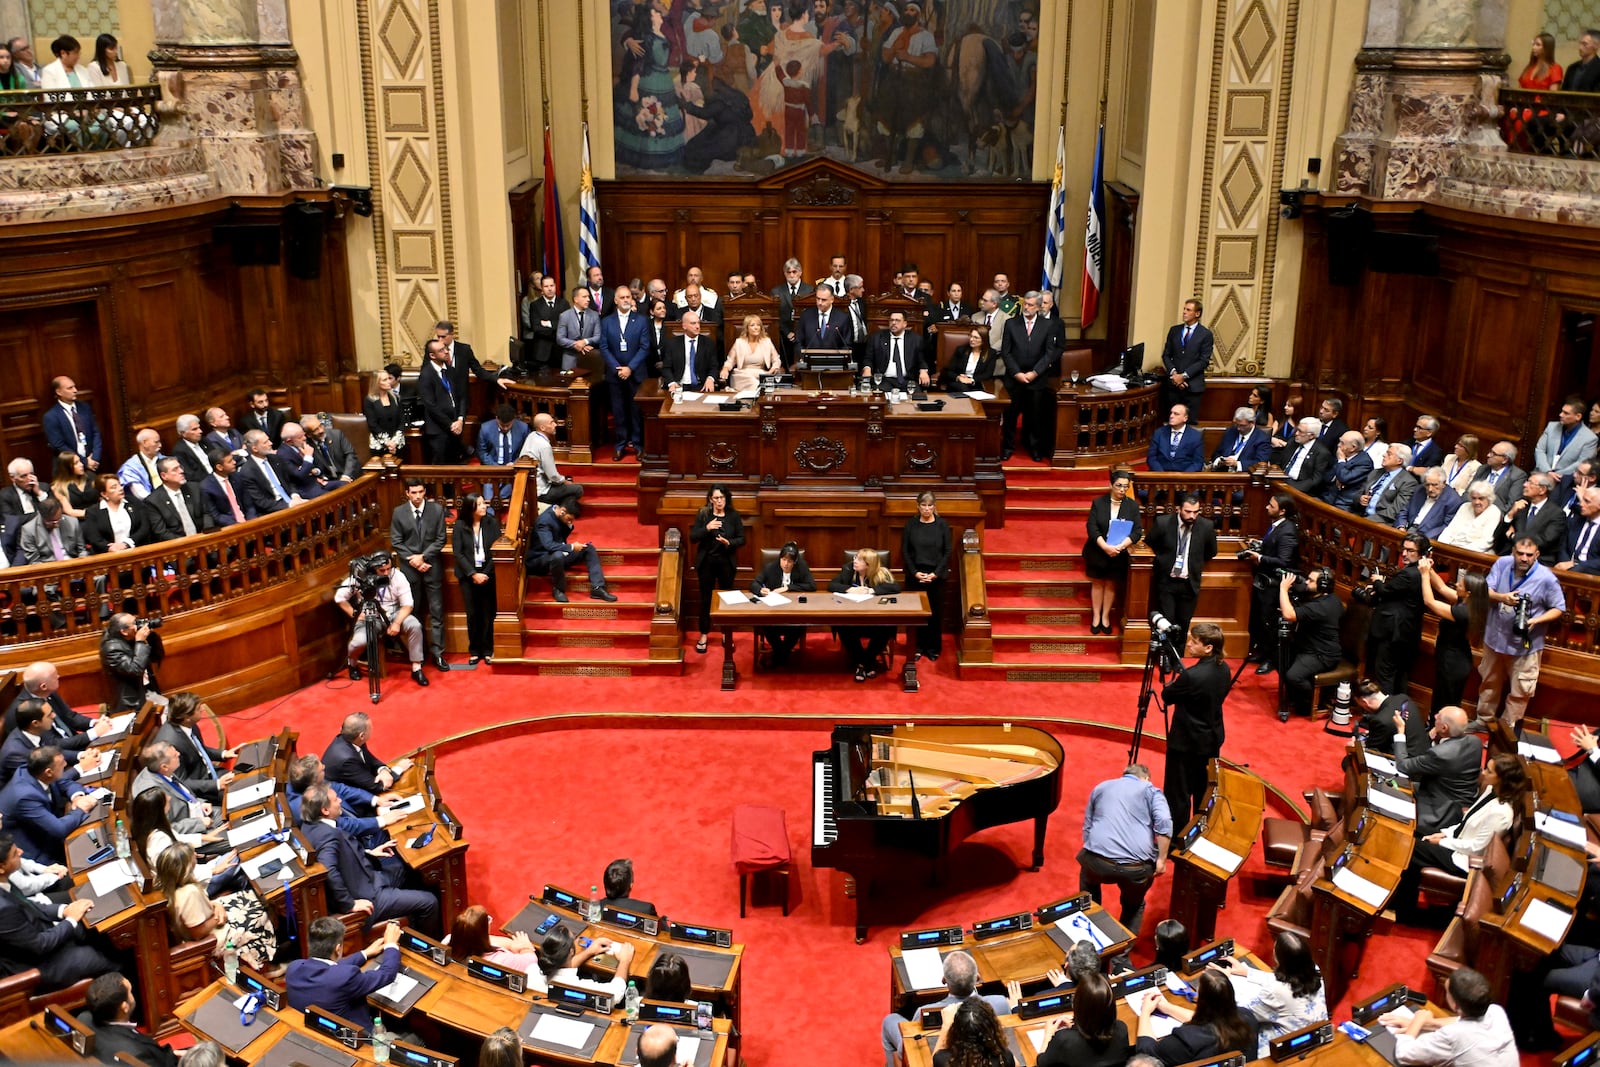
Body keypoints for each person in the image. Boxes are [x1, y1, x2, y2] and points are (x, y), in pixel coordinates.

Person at [299, 784, 441, 935]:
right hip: (370, 896)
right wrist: (349, 904)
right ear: (325, 810)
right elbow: (329, 869)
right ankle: (426, 948)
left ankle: (412, 924)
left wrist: (370, 853)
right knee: (429, 902)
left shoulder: (308, 826)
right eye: (335, 800)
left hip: (368, 877)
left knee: (404, 866)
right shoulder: (328, 836)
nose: (340, 801)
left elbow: (341, 855)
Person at [1397, 754, 1527, 915]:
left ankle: (1404, 908)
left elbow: (1476, 848)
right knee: (1410, 831)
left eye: (1489, 771)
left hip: (1464, 860)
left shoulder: (1502, 813)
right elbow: (1466, 822)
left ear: (1502, 779)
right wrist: (1444, 834)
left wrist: (1441, 842)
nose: (1483, 772)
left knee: (1412, 848)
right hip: (1458, 842)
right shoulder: (1490, 790)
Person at [0, 831, 116, 990]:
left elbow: (32, 905)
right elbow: (38, 945)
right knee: (109, 961)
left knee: (99, 931)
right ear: (1, 867)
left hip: (45, 936)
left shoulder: (5, 882)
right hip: (40, 965)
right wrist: (70, 920)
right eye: (14, 854)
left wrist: (66, 910)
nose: (21, 852)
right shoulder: (3, 909)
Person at [1474, 536, 1566, 734]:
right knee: (1488, 683)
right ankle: (1483, 720)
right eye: (1520, 553)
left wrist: (1536, 621)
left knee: (1520, 692)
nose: (1524, 558)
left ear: (1537, 555)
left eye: (1529, 555)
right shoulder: (1502, 564)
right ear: (1513, 552)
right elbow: (1485, 590)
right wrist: (1502, 598)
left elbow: (1559, 608)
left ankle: (1505, 731)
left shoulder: (1546, 578)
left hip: (1525, 647)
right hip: (1495, 639)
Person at [1079, 764, 1171, 945]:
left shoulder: (1101, 786)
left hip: (1097, 862)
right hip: (1135, 869)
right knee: (1134, 906)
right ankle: (1121, 957)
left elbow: (1087, 827)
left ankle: (1089, 942)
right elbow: (1164, 821)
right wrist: (1161, 859)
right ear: (1146, 778)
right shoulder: (1151, 790)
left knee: (1088, 884)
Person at [154, 841, 277, 972]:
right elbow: (198, 932)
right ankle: (270, 962)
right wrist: (219, 916)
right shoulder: (189, 892)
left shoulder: (166, 886)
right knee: (261, 911)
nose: (195, 855)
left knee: (250, 895)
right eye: (192, 856)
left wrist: (216, 905)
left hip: (209, 915)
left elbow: (197, 906)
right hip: (214, 937)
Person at [880, 949, 1013, 1067]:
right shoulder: (1000, 1003)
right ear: (977, 978)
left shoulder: (923, 1012)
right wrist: (1015, 1007)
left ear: (944, 980)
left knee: (890, 1021)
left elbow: (910, 1046)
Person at [286, 916, 403, 1034]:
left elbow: (328, 968)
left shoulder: (293, 968)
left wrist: (365, 953)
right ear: (338, 949)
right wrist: (391, 945)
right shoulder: (345, 977)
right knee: (414, 1037)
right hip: (359, 1040)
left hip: (311, 1033)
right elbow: (386, 974)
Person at [1162, 623, 1230, 821]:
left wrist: (1175, 683)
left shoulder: (1192, 676)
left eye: (1194, 641)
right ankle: (1201, 830)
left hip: (1186, 742)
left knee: (1178, 792)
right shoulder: (1224, 668)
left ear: (1208, 648)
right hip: (1211, 738)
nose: (1189, 644)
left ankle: (1177, 837)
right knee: (1204, 789)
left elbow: (1167, 696)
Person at [1222, 931, 1327, 1059]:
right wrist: (1247, 972)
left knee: (1234, 1027)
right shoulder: (1313, 969)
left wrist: (1226, 982)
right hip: (1317, 1037)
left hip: (1288, 1048)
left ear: (1279, 957)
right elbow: (1282, 979)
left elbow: (1247, 1013)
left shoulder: (1276, 990)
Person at [1385, 967, 1516, 1066]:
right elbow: (1460, 1022)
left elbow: (1402, 1054)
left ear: (1456, 1006)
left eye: (1447, 992)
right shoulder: (1496, 1011)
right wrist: (1429, 1022)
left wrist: (1417, 1021)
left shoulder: (1453, 1035)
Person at [334, 553, 428, 686]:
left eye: (389, 569)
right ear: (373, 569)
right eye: (382, 570)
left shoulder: (398, 576)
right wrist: (354, 613)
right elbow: (339, 597)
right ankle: (352, 664)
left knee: (414, 625)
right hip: (370, 614)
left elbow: (408, 604)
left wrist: (396, 623)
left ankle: (416, 668)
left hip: (394, 613)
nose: (386, 573)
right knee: (357, 642)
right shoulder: (361, 576)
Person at [1394, 707, 1485, 835]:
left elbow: (1403, 765)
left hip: (1441, 809)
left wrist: (1400, 731)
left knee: (1392, 799)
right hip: (1457, 798)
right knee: (1394, 784)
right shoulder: (1475, 742)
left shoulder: (1442, 754)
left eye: (1439, 716)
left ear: (1444, 728)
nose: (1435, 715)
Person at [0, 748, 99, 864]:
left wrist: (77, 797)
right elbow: (59, 829)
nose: (66, 764)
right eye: (62, 763)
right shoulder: (25, 796)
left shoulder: (35, 771)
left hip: (48, 833)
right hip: (39, 855)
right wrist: (81, 808)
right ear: (48, 772)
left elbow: (64, 782)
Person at [390, 477, 449, 673]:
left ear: (425, 492)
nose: (417, 496)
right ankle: (418, 655)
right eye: (413, 493)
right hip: (410, 570)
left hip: (431, 566)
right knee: (414, 614)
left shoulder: (437, 510)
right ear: (407, 493)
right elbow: (396, 541)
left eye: (420, 492)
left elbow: (441, 539)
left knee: (436, 611)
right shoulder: (399, 512)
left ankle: (438, 653)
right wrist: (413, 560)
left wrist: (423, 557)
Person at [1135, 969, 1256, 1064]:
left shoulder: (1185, 1041)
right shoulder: (1247, 1017)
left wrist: (1145, 1012)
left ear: (1202, 1000)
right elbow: (1212, 1020)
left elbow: (1146, 1052)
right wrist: (1167, 1007)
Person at [1417, 557, 1488, 713]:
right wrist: (1429, 569)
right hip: (1453, 659)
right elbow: (1441, 588)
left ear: (1468, 593)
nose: (1456, 585)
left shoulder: (1464, 612)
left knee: (1445, 706)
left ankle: (1441, 734)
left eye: (1460, 585)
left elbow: (1430, 602)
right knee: (1442, 702)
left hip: (1453, 663)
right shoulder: (1469, 602)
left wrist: (1424, 575)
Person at [1146, 495, 1218, 647]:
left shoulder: (1206, 526)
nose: (1192, 516)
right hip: (1167, 582)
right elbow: (1150, 543)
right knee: (1167, 622)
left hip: (1189, 583)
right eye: (1188, 511)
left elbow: (1211, 552)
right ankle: (1165, 656)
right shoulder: (1163, 523)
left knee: (1183, 623)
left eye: (1196, 512)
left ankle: (1176, 659)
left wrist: (1193, 563)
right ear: (1179, 509)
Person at [1362, 531, 1427, 697]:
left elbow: (1386, 591)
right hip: (1407, 632)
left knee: (1385, 675)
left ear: (1421, 553)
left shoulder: (1409, 573)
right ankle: (1397, 714)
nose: (1404, 554)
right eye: (1404, 549)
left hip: (1393, 633)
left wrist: (1377, 581)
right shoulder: (1423, 572)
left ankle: (1384, 716)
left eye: (1410, 550)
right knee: (1400, 676)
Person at [999, 292, 1062, 461]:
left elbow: (1049, 353)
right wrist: (1017, 373)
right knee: (1010, 416)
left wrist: (1034, 373)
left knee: (1035, 416)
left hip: (1037, 378)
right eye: (1025, 304)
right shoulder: (1011, 323)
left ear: (1039, 307)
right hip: (1014, 378)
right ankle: (1007, 447)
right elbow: (1006, 351)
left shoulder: (1048, 325)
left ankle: (1035, 449)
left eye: (1030, 305)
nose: (1026, 307)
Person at [1244, 493, 1299, 673]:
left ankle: (1271, 659)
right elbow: (1273, 546)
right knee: (1260, 620)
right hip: (1265, 581)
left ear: (1282, 511)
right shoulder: (1277, 525)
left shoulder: (1288, 530)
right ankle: (1262, 652)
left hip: (1275, 585)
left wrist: (1259, 557)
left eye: (1271, 505)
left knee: (1270, 622)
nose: (1267, 507)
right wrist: (1260, 544)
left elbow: (1284, 561)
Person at [1279, 569, 1343, 722]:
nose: (1306, 582)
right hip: (1310, 648)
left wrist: (1283, 588)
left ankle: (1312, 702)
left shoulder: (1321, 607)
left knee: (1293, 676)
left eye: (1311, 580)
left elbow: (1289, 614)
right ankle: (1295, 697)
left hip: (1322, 654)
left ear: (1323, 585)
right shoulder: (1332, 599)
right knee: (1279, 657)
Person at [830, 548, 902, 683]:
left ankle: (862, 662)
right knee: (841, 625)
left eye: (858, 559)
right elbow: (832, 585)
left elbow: (896, 588)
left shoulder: (881, 573)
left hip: (875, 620)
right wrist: (850, 589)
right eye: (855, 558)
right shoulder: (848, 570)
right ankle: (868, 662)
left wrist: (871, 590)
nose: (854, 561)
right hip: (853, 619)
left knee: (887, 627)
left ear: (868, 564)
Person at [689, 484, 744, 655]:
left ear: (726, 499)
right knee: (706, 599)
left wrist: (730, 543)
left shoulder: (734, 516)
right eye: (716, 498)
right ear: (710, 499)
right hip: (707, 563)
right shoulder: (704, 515)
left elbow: (742, 539)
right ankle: (704, 634)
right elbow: (693, 537)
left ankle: (727, 635)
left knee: (727, 599)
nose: (719, 501)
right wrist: (707, 528)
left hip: (726, 563)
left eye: (722, 498)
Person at [1084, 470, 1142, 635]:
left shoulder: (1132, 506)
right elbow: (1092, 528)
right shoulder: (1098, 503)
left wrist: (1120, 547)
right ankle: (1096, 616)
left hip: (1118, 552)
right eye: (1118, 486)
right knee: (1098, 582)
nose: (1122, 490)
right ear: (1110, 485)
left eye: (1125, 486)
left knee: (1110, 583)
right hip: (1098, 550)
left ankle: (1105, 617)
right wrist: (1105, 547)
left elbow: (1137, 531)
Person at [527, 501, 617, 604]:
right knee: (557, 555)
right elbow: (549, 545)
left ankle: (597, 588)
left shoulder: (560, 516)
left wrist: (568, 527)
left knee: (588, 548)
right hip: (540, 559)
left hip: (559, 555)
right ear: (562, 511)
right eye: (569, 519)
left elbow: (561, 537)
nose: (570, 522)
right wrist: (571, 546)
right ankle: (558, 590)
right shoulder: (544, 521)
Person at [154, 692, 236, 803]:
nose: (202, 709)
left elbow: (200, 750)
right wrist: (216, 784)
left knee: (246, 779)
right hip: (201, 788)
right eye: (198, 709)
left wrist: (224, 754)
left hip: (210, 773)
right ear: (187, 717)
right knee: (237, 795)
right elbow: (182, 782)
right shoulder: (171, 744)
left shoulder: (188, 724)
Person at [1035, 970, 1130, 1066]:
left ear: (1076, 1004)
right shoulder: (1122, 1028)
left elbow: (1041, 1062)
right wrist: (1076, 1026)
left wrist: (1048, 1035)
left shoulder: (1064, 1039)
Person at [82, 973, 176, 1067]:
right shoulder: (137, 1056)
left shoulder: (83, 1019)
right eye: (130, 991)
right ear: (124, 1007)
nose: (132, 994)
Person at [599, 286, 650, 459]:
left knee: (636, 410)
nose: (626, 300)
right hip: (615, 374)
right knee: (618, 411)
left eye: (628, 297)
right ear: (616, 300)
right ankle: (620, 444)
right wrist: (618, 368)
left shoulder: (641, 320)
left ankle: (638, 444)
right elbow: (604, 348)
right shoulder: (606, 321)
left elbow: (644, 347)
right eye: (622, 297)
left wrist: (630, 368)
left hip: (635, 373)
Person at [903, 491, 952, 659]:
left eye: (930, 506)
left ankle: (933, 649)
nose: (926, 509)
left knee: (935, 614)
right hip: (915, 576)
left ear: (934, 507)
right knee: (916, 615)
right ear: (918, 506)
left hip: (936, 577)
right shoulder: (911, 524)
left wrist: (935, 574)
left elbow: (947, 552)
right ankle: (916, 647)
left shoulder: (942, 525)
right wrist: (915, 573)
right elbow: (906, 551)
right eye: (923, 505)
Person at [453, 493, 500, 665]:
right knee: (472, 614)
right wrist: (473, 574)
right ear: (470, 507)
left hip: (488, 574)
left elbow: (497, 550)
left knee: (488, 613)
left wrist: (485, 573)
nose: (484, 506)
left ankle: (488, 650)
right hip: (468, 576)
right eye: (480, 504)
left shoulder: (491, 523)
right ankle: (474, 650)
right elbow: (458, 552)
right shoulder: (459, 525)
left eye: (483, 503)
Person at [751, 541, 815, 664]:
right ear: (780, 558)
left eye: (790, 561)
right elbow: (754, 583)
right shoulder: (770, 567)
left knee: (798, 625)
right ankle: (783, 654)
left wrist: (788, 587)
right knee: (766, 624)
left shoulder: (801, 568)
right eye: (783, 559)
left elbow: (811, 586)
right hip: (773, 612)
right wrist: (760, 590)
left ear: (795, 562)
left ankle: (779, 655)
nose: (786, 564)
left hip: (794, 612)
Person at [529, 924, 637, 997]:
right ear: (571, 951)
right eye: (574, 938)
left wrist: (589, 951)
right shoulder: (579, 988)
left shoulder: (531, 973)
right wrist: (624, 960)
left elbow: (562, 968)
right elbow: (616, 992)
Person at [323, 712, 411, 797]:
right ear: (362, 736)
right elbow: (376, 786)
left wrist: (383, 770)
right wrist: (398, 769)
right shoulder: (347, 760)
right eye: (371, 728)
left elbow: (371, 760)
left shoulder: (351, 739)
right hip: (342, 799)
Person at [519, 412, 584, 511]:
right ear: (542, 428)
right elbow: (553, 476)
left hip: (529, 488)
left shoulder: (532, 435)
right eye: (551, 423)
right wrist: (564, 481)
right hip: (541, 492)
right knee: (577, 489)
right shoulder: (544, 445)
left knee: (565, 485)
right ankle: (560, 510)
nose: (555, 425)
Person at [1495, 471, 1566, 563]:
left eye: (1530, 482)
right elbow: (1497, 535)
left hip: (1538, 561)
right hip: (1509, 556)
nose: (1524, 485)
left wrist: (1513, 536)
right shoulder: (1520, 506)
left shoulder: (1556, 514)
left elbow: (1544, 541)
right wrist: (1510, 514)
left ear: (1542, 489)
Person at [1159, 299, 1212, 419]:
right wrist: (1174, 374)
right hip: (1173, 387)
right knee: (1172, 422)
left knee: (1190, 425)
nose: (1184, 312)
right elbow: (1166, 355)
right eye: (1184, 309)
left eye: (1188, 310)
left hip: (1192, 387)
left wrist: (1183, 376)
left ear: (1197, 314)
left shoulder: (1205, 334)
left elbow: (1204, 361)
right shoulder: (1174, 330)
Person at [447, 904, 539, 971]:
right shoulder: (501, 960)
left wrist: (511, 945)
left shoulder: (449, 941)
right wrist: (526, 947)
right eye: (488, 920)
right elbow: (531, 962)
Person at [144, 458, 214, 542]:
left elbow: (207, 513)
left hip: (204, 539)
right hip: (178, 546)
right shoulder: (153, 501)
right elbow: (161, 532)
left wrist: (206, 535)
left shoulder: (194, 488)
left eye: (180, 467)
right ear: (164, 476)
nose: (181, 471)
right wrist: (186, 543)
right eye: (175, 470)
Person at [42, 376, 102, 473]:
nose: (75, 390)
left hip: (93, 464)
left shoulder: (84, 407)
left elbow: (95, 432)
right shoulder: (51, 416)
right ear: (59, 392)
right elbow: (59, 445)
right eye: (70, 388)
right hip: (69, 468)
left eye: (74, 387)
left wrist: (95, 457)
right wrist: (84, 461)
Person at [930, 997, 1013, 1067]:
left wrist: (946, 1026)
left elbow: (932, 1063)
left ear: (956, 1030)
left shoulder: (943, 1060)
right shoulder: (1004, 1058)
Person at [100, 613, 159, 711]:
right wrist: (140, 642)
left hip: (147, 692)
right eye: (135, 623)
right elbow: (135, 670)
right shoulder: (111, 649)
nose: (139, 625)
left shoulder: (130, 639)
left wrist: (151, 637)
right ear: (124, 631)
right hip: (132, 703)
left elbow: (156, 657)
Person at [1355, 679, 1430, 756]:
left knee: (1350, 759)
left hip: (1408, 762)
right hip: (1425, 752)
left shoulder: (1380, 720)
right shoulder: (1403, 698)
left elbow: (1371, 750)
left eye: (1362, 707)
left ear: (1365, 702)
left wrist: (1357, 746)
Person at [236, 429, 300, 515]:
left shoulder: (275, 459)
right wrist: (289, 505)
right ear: (255, 448)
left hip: (293, 500)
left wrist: (295, 496)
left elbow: (289, 481)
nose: (271, 443)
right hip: (275, 510)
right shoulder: (247, 471)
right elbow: (261, 502)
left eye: (269, 440)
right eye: (265, 442)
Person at [1536, 396, 1599, 477]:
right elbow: (1540, 450)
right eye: (1562, 411)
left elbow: (1582, 463)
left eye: (1566, 413)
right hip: (1542, 474)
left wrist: (1557, 475)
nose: (1561, 415)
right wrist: (1547, 471)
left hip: (1565, 480)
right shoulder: (1551, 426)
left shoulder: (1590, 438)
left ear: (1578, 416)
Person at [869, 310, 930, 391]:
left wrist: (923, 370)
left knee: (916, 394)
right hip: (885, 380)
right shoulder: (877, 338)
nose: (893, 323)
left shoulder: (915, 339)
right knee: (881, 394)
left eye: (897, 320)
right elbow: (868, 358)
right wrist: (867, 369)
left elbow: (921, 359)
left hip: (907, 380)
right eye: (891, 320)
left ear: (905, 324)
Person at [722, 314, 782, 394]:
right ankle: (758, 389)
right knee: (752, 382)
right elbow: (730, 361)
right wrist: (725, 369)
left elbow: (776, 360)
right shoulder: (739, 342)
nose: (756, 327)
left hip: (760, 374)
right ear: (747, 328)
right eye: (752, 325)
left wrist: (771, 371)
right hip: (742, 375)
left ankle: (758, 392)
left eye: (758, 325)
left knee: (759, 381)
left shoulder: (767, 342)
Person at [1359, 443, 1420, 523]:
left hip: (1380, 523)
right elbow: (1359, 492)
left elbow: (1394, 511)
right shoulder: (1376, 472)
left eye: (1389, 454)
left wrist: (1366, 521)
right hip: (1360, 514)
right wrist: (1360, 499)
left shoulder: (1408, 482)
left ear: (1399, 460)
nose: (1384, 455)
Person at [1395, 468, 1462, 539]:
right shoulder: (1420, 490)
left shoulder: (1453, 500)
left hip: (1427, 537)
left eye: (1434, 485)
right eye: (1427, 485)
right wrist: (1401, 526)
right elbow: (1405, 510)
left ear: (1444, 483)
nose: (1430, 489)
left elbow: (1446, 526)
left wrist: (1423, 539)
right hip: (1408, 529)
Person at [1437, 481, 1502, 553]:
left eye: (1481, 498)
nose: (1477, 502)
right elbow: (1450, 529)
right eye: (1474, 498)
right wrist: (1442, 545)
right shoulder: (1465, 506)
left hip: (1474, 553)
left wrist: (1461, 551)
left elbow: (1487, 540)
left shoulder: (1494, 511)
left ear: (1489, 498)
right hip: (1453, 547)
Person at [1273, 416, 1333, 495]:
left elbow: (1315, 480)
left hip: (1299, 489)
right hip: (1280, 481)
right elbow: (1280, 463)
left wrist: (1291, 487)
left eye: (1300, 431)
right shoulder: (1292, 442)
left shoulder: (1322, 453)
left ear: (1311, 436)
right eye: (1297, 429)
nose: (1296, 433)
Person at [662, 310, 718, 393]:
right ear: (684, 326)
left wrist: (710, 379)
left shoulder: (708, 343)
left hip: (701, 386)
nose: (697, 326)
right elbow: (666, 368)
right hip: (678, 386)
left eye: (698, 323)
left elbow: (714, 367)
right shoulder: (672, 344)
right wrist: (671, 383)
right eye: (693, 323)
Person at [1469, 440, 1526, 514]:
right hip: (1472, 510)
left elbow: (1510, 506)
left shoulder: (1518, 476)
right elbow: (1468, 492)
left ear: (1505, 459)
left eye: (1494, 454)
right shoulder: (1483, 469)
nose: (1488, 455)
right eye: (1490, 451)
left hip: (1495, 516)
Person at [1323, 430, 1374, 511]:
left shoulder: (1365, 462)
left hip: (1344, 503)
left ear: (1353, 448)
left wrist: (1341, 461)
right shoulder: (1343, 453)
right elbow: (1327, 477)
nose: (1338, 445)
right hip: (1328, 496)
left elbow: (1344, 478)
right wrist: (1338, 478)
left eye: (1342, 443)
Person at [362, 367, 406, 458]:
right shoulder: (370, 400)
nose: (389, 382)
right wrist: (387, 442)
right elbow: (373, 424)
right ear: (377, 383)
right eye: (385, 380)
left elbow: (402, 421)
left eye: (389, 378)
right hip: (379, 446)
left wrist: (395, 441)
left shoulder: (396, 398)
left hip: (397, 444)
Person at [1147, 403, 1204, 473]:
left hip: (1184, 477)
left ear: (1185, 418)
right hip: (1160, 475)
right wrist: (1162, 475)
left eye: (1176, 414)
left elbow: (1198, 462)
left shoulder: (1195, 436)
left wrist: (1183, 477)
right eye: (1171, 413)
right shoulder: (1159, 433)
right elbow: (1151, 458)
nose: (1171, 416)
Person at [1212, 407, 1273, 472]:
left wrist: (1237, 464)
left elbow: (1261, 463)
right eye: (1237, 424)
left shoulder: (1262, 438)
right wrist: (1219, 460)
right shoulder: (1230, 431)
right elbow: (1216, 453)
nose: (1238, 428)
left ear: (1252, 423)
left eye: (1242, 425)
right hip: (1222, 472)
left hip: (1244, 476)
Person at [116, 428, 166, 501]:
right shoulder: (130, 468)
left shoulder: (166, 460)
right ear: (145, 443)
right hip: (149, 505)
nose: (160, 445)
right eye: (156, 442)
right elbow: (141, 495)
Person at [798, 286, 852, 354]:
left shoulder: (843, 318)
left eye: (823, 300)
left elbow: (846, 344)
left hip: (834, 361)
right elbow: (798, 341)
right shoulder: (806, 316)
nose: (819, 303)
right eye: (818, 299)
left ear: (832, 299)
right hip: (809, 360)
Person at [1561, 486, 1600, 575]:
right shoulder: (1574, 521)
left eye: (1587, 501)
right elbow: (1563, 547)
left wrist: (1577, 565)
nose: (1581, 504)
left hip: (1591, 574)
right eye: (1582, 500)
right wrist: (1565, 562)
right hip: (1565, 568)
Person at [51, 450, 98, 520]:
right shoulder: (58, 487)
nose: (81, 464)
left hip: (99, 515)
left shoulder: (90, 476)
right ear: (66, 468)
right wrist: (92, 513)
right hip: (80, 521)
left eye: (80, 461)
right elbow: (69, 511)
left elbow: (102, 496)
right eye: (76, 463)